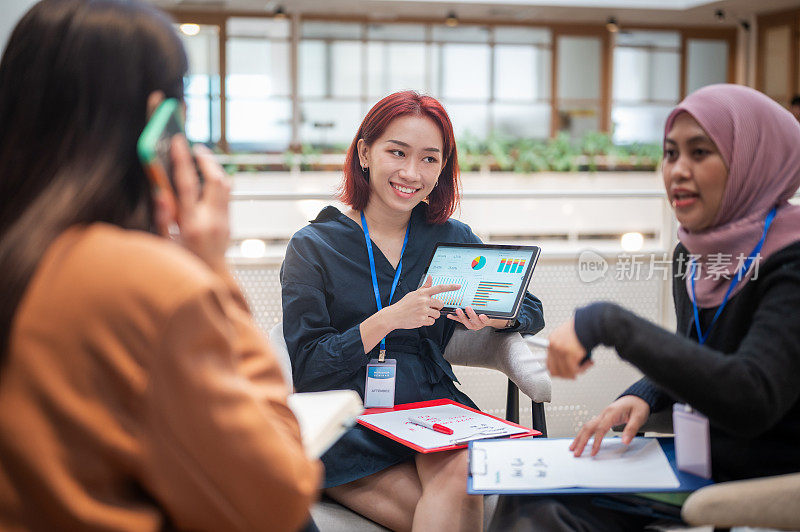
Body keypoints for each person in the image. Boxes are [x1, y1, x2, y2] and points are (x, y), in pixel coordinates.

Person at [0, 1, 320, 530]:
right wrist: (211, 266)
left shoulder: (33, 252)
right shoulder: (146, 283)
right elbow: (278, 500)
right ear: (159, 121)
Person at [492, 84, 800, 531]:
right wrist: (645, 394)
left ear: (755, 160)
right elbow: (699, 354)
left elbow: (751, 397)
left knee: (543, 513)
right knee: (526, 493)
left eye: (700, 153)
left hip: (764, 478)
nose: (678, 171)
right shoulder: (692, 255)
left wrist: (608, 322)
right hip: (695, 462)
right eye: (671, 153)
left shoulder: (790, 262)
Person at [281, 90, 545, 531]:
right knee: (452, 514)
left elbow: (529, 306)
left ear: (443, 167)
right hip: (349, 416)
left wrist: (497, 316)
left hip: (431, 407)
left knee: (459, 480)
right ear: (365, 152)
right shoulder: (314, 246)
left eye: (429, 159)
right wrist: (387, 319)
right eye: (397, 152)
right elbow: (308, 366)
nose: (411, 173)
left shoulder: (450, 236)